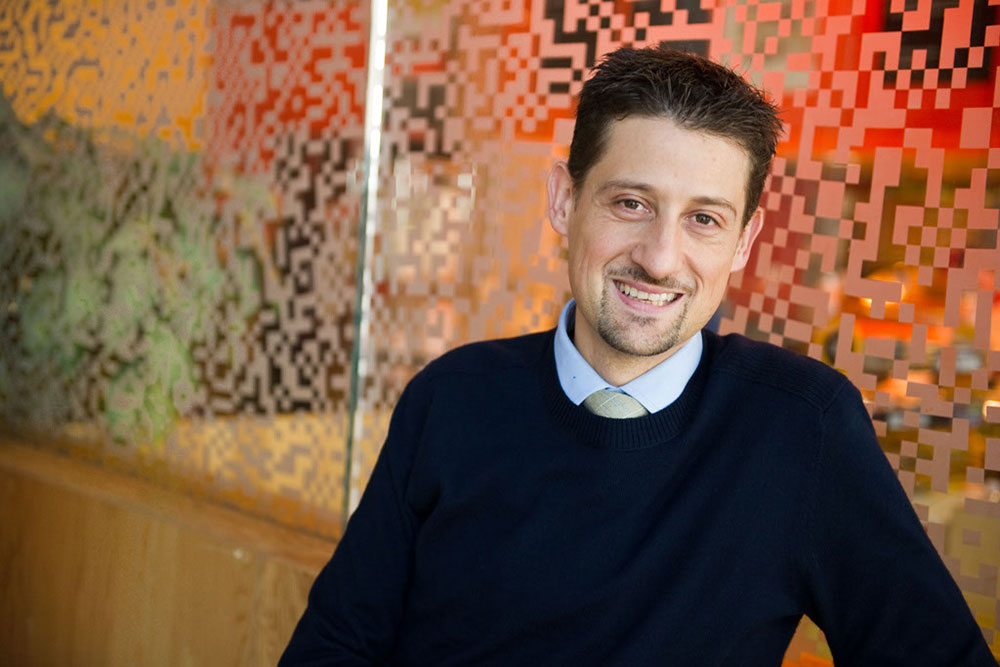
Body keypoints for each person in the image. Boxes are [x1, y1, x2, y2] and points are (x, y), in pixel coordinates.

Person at [280, 45, 995, 665]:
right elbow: (334, 647)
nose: (659, 258)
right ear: (565, 202)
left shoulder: (800, 427)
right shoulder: (452, 396)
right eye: (630, 203)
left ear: (743, 242)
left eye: (704, 219)